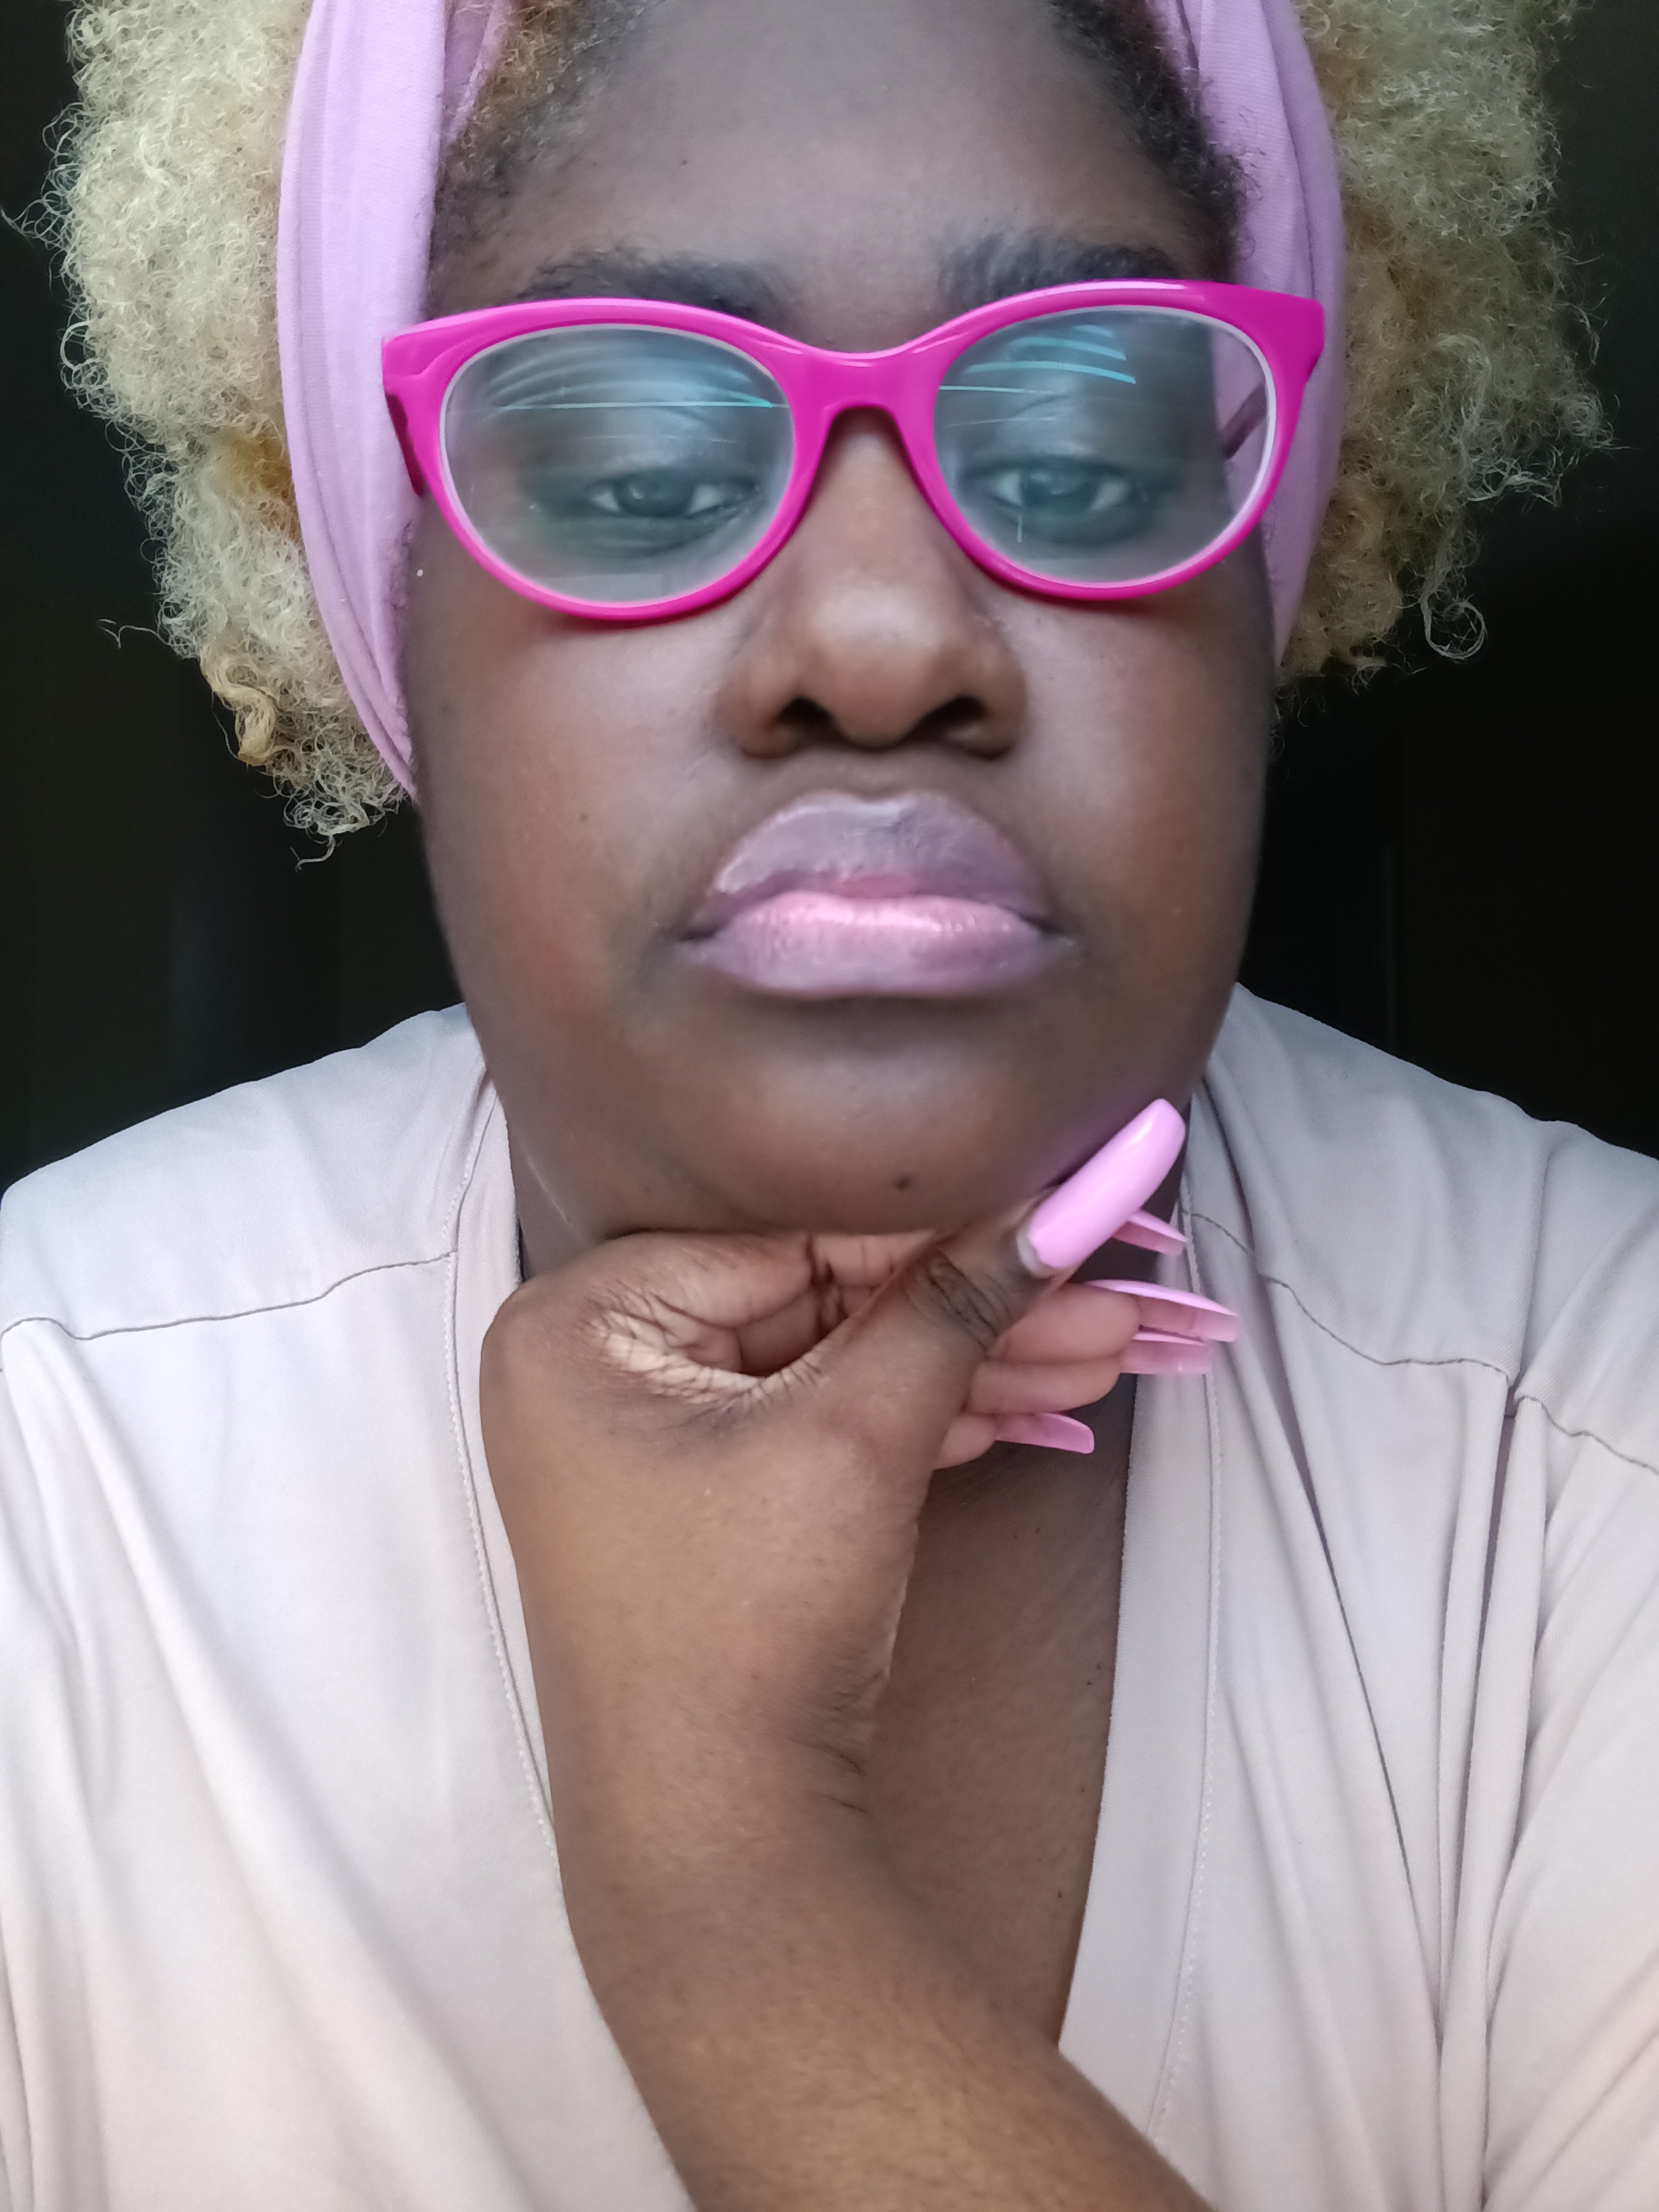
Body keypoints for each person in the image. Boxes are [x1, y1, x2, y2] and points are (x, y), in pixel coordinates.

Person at [2, 0, 1654, 2205]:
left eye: (1083, 445)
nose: (882, 645)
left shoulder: (1602, 1413)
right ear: (373, 585)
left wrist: (729, 1874)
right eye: (628, 462)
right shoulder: (47, 1469)